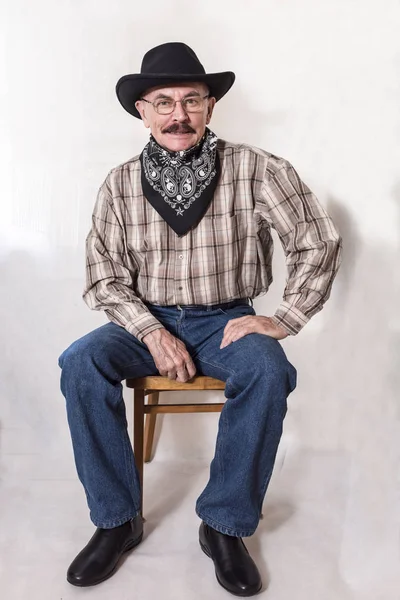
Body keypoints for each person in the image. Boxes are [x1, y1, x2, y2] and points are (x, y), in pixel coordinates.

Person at [58, 42, 342, 596]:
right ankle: (117, 521)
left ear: (210, 106)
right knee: (79, 362)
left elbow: (317, 240)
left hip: (226, 318)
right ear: (142, 111)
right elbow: (103, 276)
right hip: (144, 320)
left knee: (267, 369)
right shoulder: (119, 183)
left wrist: (285, 317)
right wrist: (150, 330)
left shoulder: (258, 167)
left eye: (191, 100)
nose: (178, 115)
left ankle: (223, 525)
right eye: (163, 102)